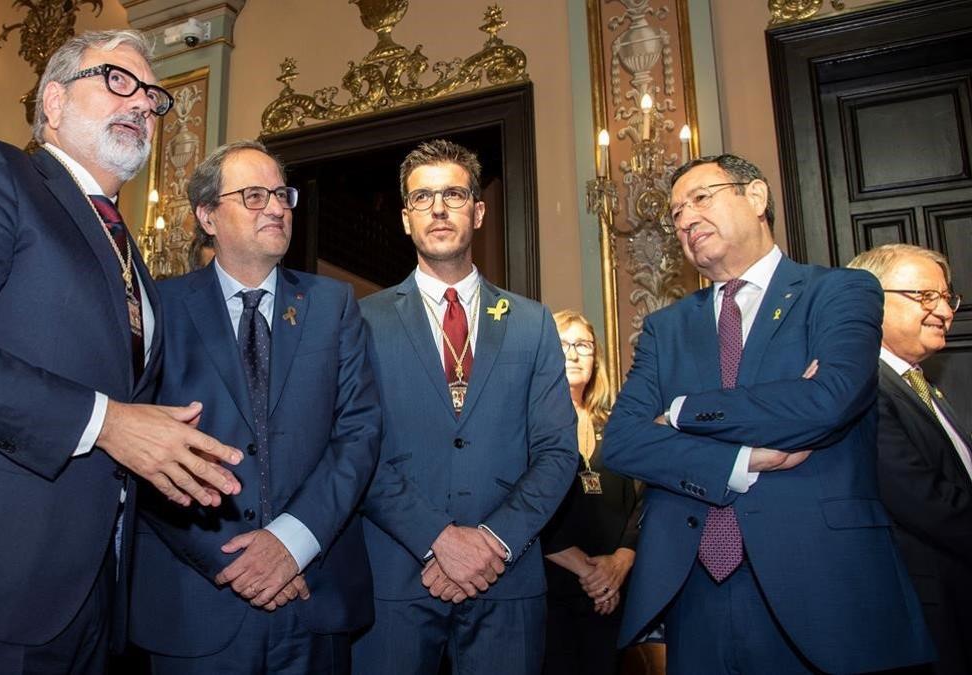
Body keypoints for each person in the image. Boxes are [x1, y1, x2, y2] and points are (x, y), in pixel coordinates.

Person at [0, 30, 243, 673]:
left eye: (152, 95)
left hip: (91, 596)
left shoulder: (130, 254)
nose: (143, 102)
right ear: (54, 102)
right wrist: (108, 422)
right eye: (118, 80)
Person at [600, 153, 934, 673]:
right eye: (675, 213)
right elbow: (621, 442)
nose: (684, 218)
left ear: (755, 197)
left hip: (821, 580)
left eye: (700, 198)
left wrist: (684, 411)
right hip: (695, 590)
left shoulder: (840, 292)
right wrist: (745, 459)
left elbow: (828, 400)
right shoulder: (667, 328)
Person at [130, 140, 381, 673]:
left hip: (314, 596)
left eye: (281, 194)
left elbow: (358, 434)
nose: (276, 207)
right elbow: (137, 444)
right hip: (197, 601)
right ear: (207, 216)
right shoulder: (159, 308)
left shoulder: (333, 304)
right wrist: (240, 561)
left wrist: (291, 544)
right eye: (253, 195)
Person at [353, 139, 578, 674]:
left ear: (477, 212)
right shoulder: (359, 320)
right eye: (422, 197)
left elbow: (557, 451)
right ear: (406, 218)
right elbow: (355, 448)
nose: (438, 208)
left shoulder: (531, 321)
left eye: (453, 194)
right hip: (395, 577)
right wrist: (436, 540)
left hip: (508, 576)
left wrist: (492, 542)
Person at [848, 244, 971, 674]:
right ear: (870, 301)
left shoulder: (919, 384)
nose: (944, 310)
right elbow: (922, 498)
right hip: (921, 618)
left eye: (947, 297)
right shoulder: (861, 385)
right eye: (924, 296)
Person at [540, 310, 640, 675]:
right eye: (563, 344)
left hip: (612, 595)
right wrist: (590, 573)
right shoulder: (526, 423)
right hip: (552, 595)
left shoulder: (615, 427)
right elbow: (522, 505)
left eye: (583, 344)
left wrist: (620, 564)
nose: (574, 353)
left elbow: (641, 502)